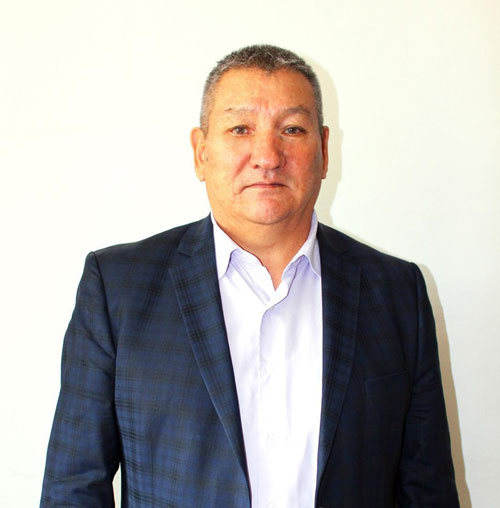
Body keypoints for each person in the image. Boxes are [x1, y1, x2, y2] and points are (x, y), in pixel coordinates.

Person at [40, 44, 460, 508]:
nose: (267, 155)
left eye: (292, 129)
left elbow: (428, 492)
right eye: (240, 129)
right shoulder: (118, 290)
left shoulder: (396, 294)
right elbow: (73, 490)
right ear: (200, 152)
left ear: (323, 150)